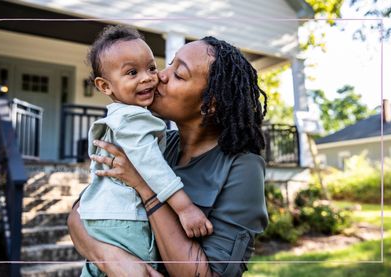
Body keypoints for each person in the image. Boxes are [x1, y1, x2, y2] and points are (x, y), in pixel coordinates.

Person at [68, 34, 269, 277]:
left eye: (179, 74)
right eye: (169, 64)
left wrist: (145, 187)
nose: (159, 75)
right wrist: (112, 259)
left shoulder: (242, 168)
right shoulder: (154, 143)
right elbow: (80, 214)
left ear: (210, 103)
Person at [77, 25, 213, 277]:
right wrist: (184, 207)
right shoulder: (132, 118)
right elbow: (151, 165)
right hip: (125, 219)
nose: (148, 77)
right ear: (105, 86)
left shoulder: (119, 117)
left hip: (103, 216)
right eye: (132, 72)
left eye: (151, 67)